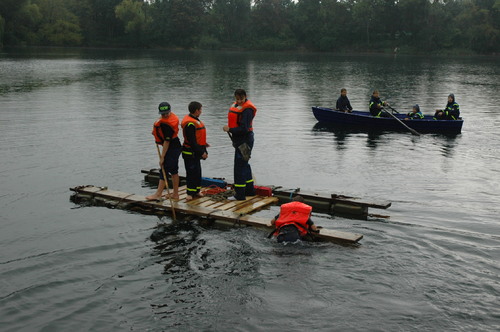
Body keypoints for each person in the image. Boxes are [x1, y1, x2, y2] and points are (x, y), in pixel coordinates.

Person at [223, 89, 256, 201]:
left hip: (244, 141)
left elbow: (244, 129)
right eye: (237, 99)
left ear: (245, 97)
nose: (239, 101)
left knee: (239, 168)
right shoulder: (237, 106)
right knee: (245, 165)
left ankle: (240, 195)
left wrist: (230, 129)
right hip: (239, 140)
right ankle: (250, 191)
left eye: (241, 99)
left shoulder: (247, 110)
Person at [146, 102, 182, 201]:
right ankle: (175, 194)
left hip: (172, 147)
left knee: (164, 170)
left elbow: (167, 141)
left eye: (167, 113)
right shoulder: (165, 121)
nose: (165, 115)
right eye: (163, 114)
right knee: (174, 170)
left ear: (170, 111)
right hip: (175, 146)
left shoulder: (167, 124)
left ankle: (158, 194)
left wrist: (162, 157)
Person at [181, 101, 208, 201]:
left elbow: (198, 138)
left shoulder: (195, 121)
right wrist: (202, 153)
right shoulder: (190, 124)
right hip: (189, 152)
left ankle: (196, 191)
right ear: (196, 111)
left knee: (197, 172)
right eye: (200, 109)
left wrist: (204, 147)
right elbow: (192, 142)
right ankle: (189, 193)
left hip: (196, 152)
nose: (201, 111)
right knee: (191, 172)